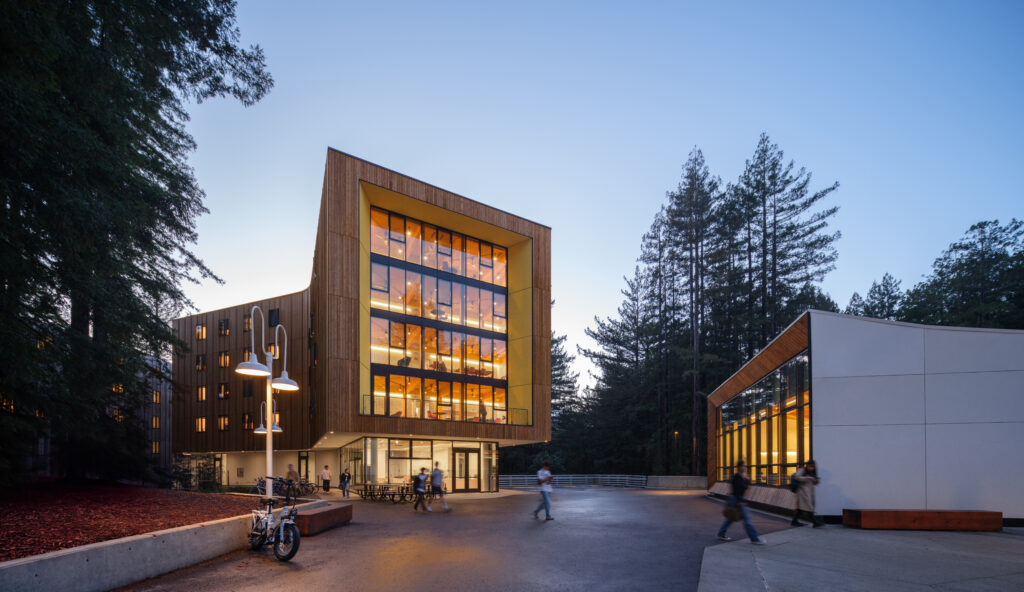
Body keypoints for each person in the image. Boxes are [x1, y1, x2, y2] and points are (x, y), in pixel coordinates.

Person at [716, 460, 766, 544]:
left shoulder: (742, 477)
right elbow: (736, 490)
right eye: (743, 466)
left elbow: (745, 488)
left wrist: (746, 481)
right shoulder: (737, 477)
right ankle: (755, 539)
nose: (745, 467)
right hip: (738, 500)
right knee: (747, 520)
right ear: (739, 467)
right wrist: (741, 501)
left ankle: (721, 533)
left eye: (745, 466)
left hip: (738, 499)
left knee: (731, 518)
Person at [791, 460, 824, 527]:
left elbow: (814, 483)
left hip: (809, 492)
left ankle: (794, 521)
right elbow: (796, 477)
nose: (811, 468)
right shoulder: (802, 470)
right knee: (809, 507)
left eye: (813, 467)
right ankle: (814, 522)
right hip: (802, 492)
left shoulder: (813, 472)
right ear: (807, 465)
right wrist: (807, 478)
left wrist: (816, 481)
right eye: (810, 467)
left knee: (801, 508)